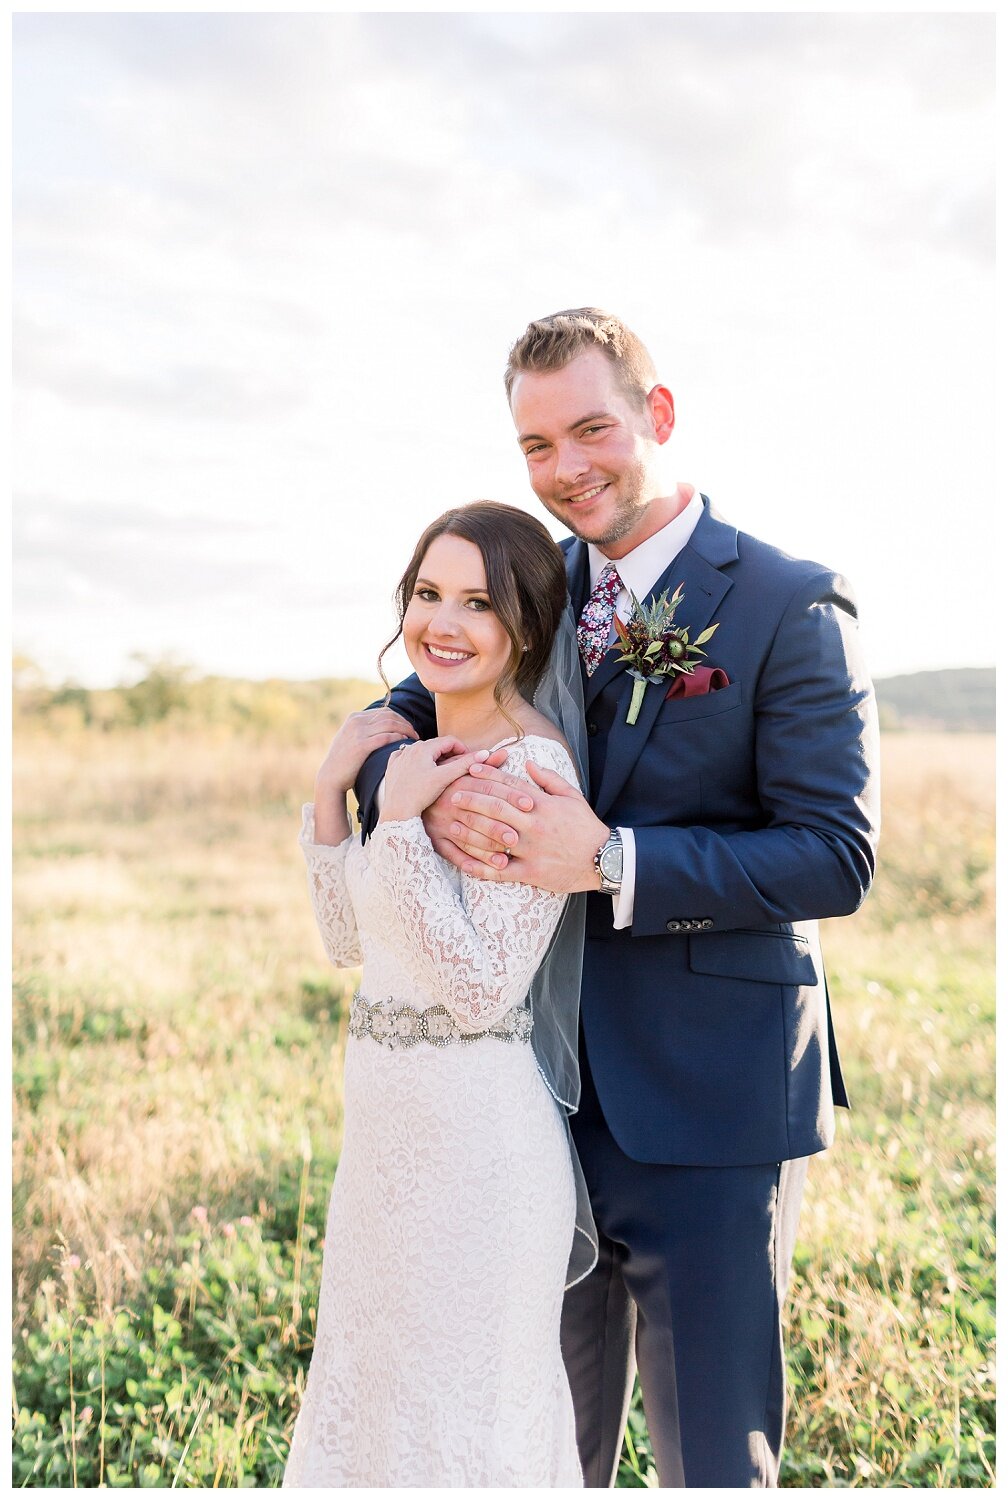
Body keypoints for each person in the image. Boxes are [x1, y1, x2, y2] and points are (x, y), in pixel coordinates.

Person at [355, 309, 882, 1487]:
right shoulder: (534, 585)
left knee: (709, 1459)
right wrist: (397, 763)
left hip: (707, 1101)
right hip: (527, 1099)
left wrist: (612, 860)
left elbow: (834, 854)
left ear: (660, 413)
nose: (566, 469)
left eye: (591, 429)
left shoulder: (785, 604)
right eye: (536, 447)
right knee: (540, 1440)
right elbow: (438, 685)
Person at [283, 500, 596, 1488]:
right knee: (372, 1397)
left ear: (527, 627)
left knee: (461, 1417)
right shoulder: (408, 753)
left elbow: (479, 985)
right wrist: (339, 792)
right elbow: (347, 939)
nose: (442, 622)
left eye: (479, 601)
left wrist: (405, 823)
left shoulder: (534, 770)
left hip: (479, 1152)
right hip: (383, 1144)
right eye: (427, 593)